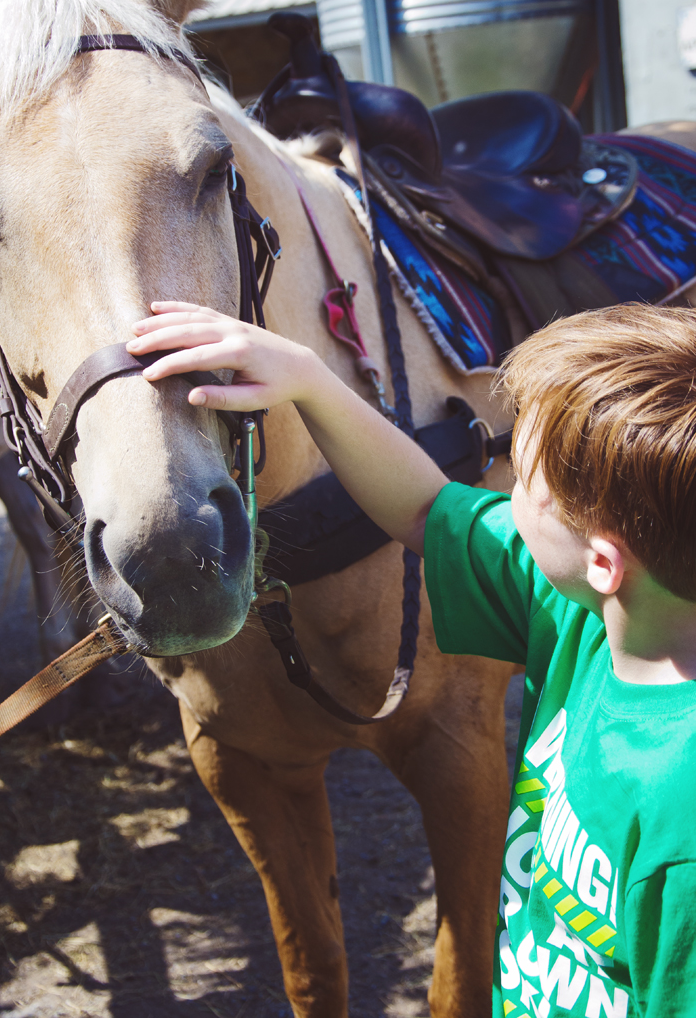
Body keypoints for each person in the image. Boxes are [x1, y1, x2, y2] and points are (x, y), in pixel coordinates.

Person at [127, 300, 696, 1017]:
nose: (502, 490)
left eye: (522, 482)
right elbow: (426, 508)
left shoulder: (681, 826)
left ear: (603, 560)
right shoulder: (596, 611)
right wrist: (307, 379)